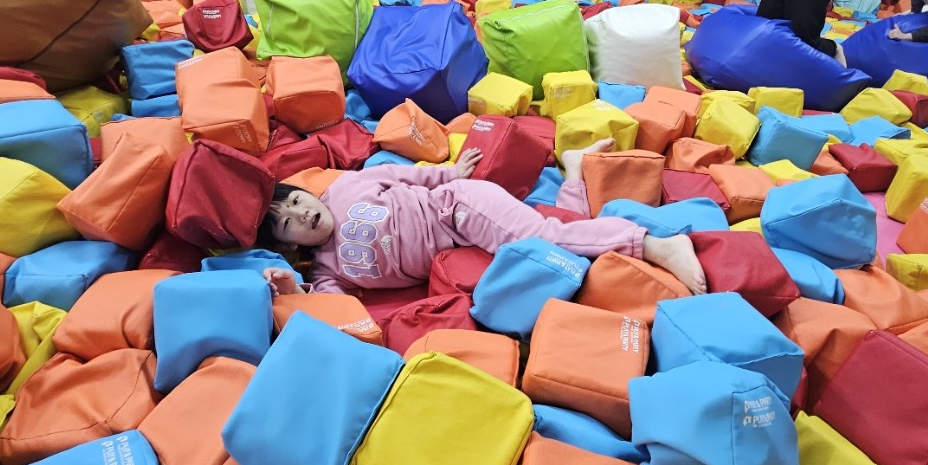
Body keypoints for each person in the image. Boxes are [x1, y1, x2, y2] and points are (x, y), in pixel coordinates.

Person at [260, 140, 706, 297]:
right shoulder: (328, 270)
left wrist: (450, 173)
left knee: (542, 239)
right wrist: (291, 290)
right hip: (460, 253)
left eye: (296, 201)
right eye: (288, 222)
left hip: (457, 210)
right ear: (288, 244)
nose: (302, 214)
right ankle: (574, 170)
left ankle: (654, 244)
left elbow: (401, 174)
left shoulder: (345, 188)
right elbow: (330, 307)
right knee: (554, 252)